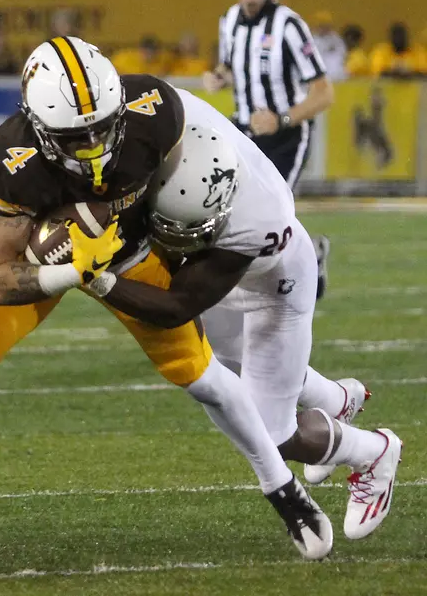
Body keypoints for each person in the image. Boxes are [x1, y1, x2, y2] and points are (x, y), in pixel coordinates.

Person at [0, 36, 332, 573]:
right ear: (38, 127)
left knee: (204, 378)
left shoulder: (153, 111)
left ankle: (285, 494)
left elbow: (186, 181)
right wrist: (70, 269)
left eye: (102, 127)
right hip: (41, 262)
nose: (94, 145)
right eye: (77, 135)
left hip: (134, 253)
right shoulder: (9, 161)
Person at [99, 93, 401, 540]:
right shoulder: (169, 122)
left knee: (270, 431)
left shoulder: (256, 224)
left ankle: (373, 451)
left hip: (273, 290)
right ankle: (336, 400)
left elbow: (175, 309)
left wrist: (97, 279)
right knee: (229, 364)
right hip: (219, 268)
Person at [203, 0, 334, 299]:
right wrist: (219, 76)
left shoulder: (288, 25)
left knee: (271, 215)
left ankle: (293, 271)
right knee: (223, 205)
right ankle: (300, 258)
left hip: (287, 135)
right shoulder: (229, 21)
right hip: (244, 132)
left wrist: (282, 118)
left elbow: (324, 93)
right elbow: (233, 66)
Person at [311, 11, 347, 82]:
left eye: (327, 26)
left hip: (337, 74)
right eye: (322, 26)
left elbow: (343, 54)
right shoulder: (310, 39)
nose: (325, 29)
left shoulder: (336, 39)